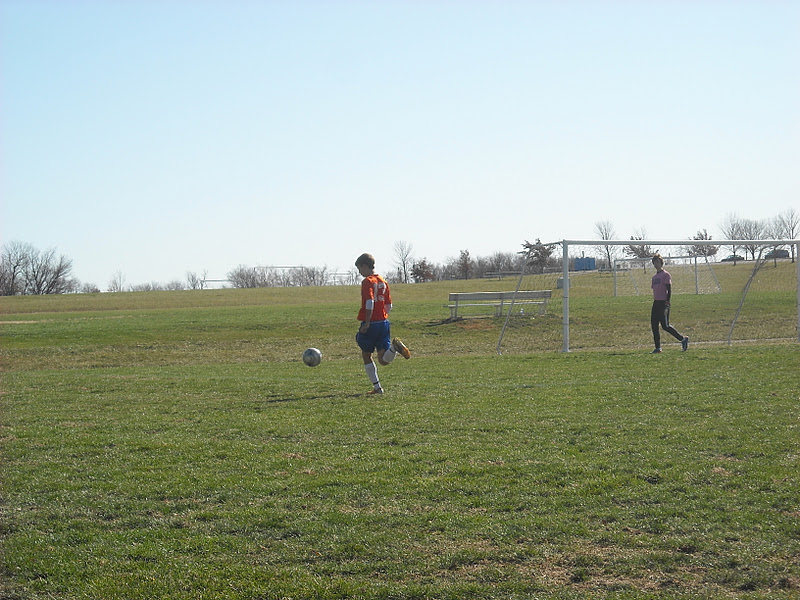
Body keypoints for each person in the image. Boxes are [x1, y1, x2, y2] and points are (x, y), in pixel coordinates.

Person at [354, 253, 411, 394]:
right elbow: (389, 305)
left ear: (365, 266)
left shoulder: (367, 282)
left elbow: (370, 302)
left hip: (372, 323)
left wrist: (367, 322)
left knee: (366, 354)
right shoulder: (383, 281)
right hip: (384, 323)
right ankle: (394, 348)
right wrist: (382, 317)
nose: (359, 272)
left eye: (359, 268)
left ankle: (377, 388)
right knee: (383, 360)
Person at [650, 253, 689, 353]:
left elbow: (669, 290)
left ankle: (683, 339)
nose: (656, 264)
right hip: (656, 303)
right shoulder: (654, 277)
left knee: (665, 326)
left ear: (661, 263)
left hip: (663, 303)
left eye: (657, 262)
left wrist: (667, 303)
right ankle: (658, 347)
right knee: (654, 325)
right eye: (654, 262)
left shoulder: (665, 275)